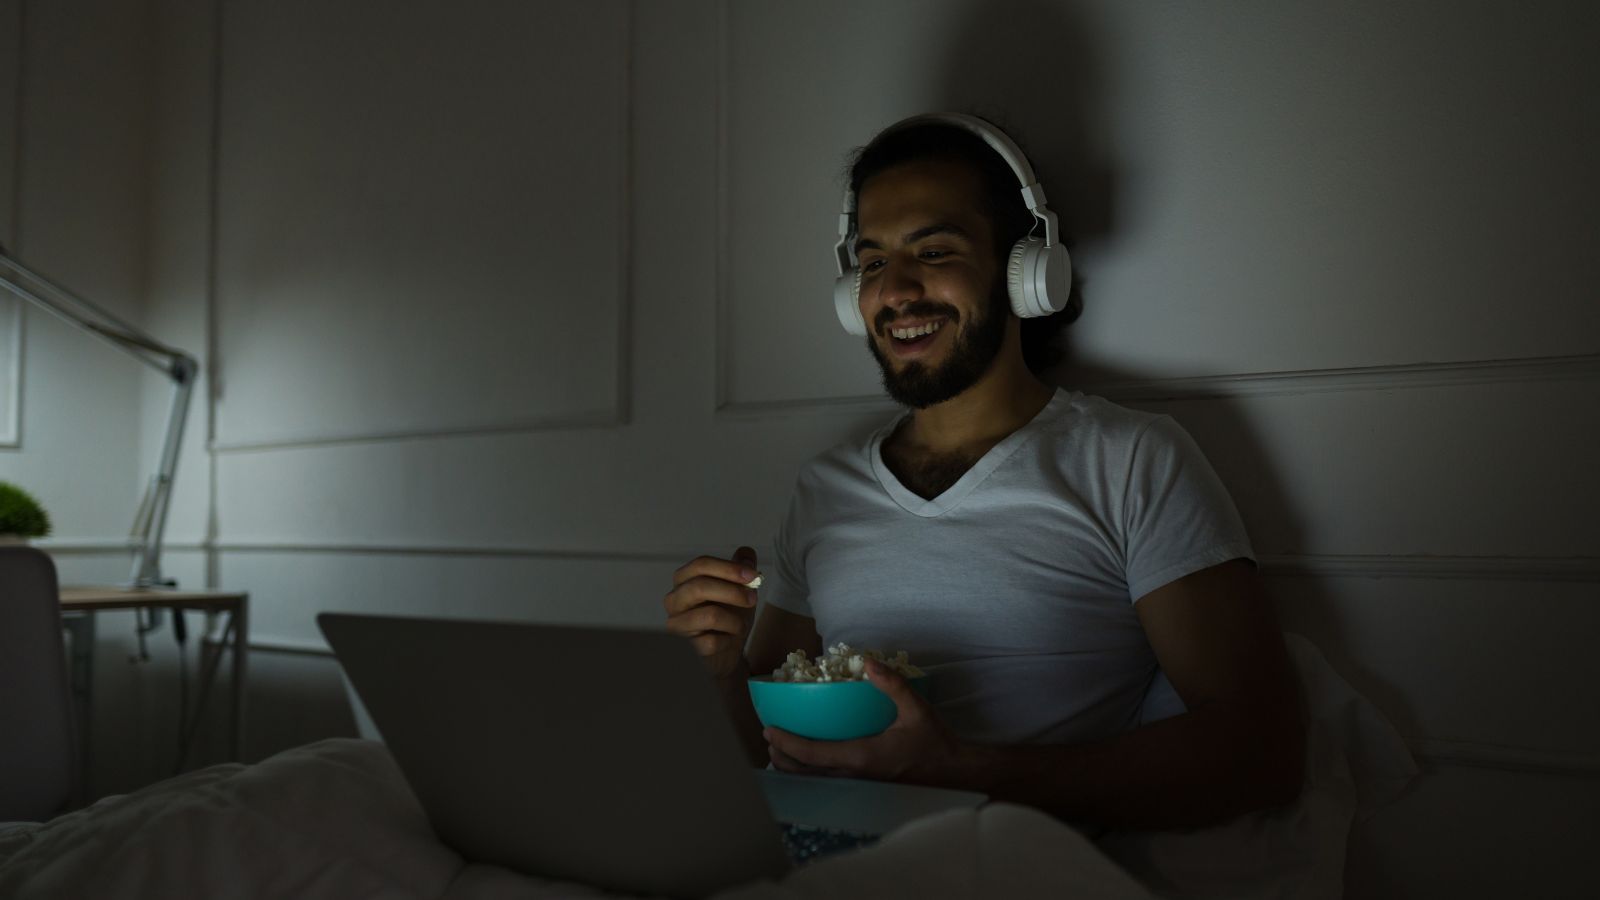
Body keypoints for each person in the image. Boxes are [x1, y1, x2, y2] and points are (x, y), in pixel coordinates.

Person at [662, 114, 1303, 831]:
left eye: (933, 251)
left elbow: (1264, 755)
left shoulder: (1131, 459)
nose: (896, 291)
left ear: (1025, 272)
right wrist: (718, 674)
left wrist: (959, 773)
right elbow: (772, 751)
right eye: (872, 262)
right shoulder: (823, 489)